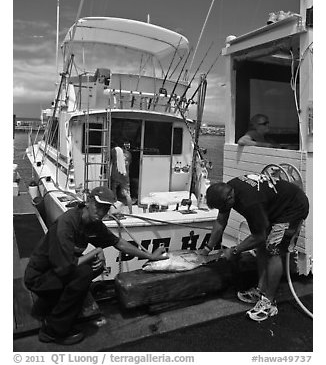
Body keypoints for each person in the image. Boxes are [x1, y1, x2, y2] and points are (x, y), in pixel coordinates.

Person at [24, 186, 167, 345]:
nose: (101, 212)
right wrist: (96, 251)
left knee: (95, 266)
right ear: (88, 202)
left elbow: (118, 242)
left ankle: (54, 300)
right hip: (38, 277)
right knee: (84, 272)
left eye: (105, 209)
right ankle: (53, 330)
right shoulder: (67, 223)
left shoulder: (93, 224)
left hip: (56, 270)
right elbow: (66, 267)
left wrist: (150, 256)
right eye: (98, 206)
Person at [199, 174, 309, 322]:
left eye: (222, 207)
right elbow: (220, 221)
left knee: (273, 249)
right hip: (275, 207)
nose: (222, 210)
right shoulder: (229, 189)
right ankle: (261, 291)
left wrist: (234, 250)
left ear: (229, 199)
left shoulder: (250, 202)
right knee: (262, 247)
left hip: (292, 208)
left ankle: (269, 303)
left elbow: (259, 236)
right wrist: (207, 249)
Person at [110, 140, 133, 213]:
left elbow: (110, 160)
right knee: (127, 194)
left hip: (116, 175)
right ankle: (131, 211)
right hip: (125, 176)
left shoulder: (114, 152)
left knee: (114, 191)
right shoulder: (129, 154)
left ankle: (115, 209)